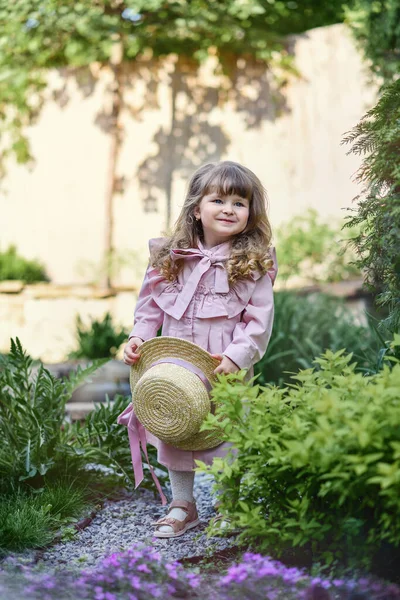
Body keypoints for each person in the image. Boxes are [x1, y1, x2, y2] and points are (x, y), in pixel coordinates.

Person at [120, 160, 277, 538]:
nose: (228, 209)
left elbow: (259, 322)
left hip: (223, 363)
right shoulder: (169, 257)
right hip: (175, 359)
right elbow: (149, 306)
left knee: (226, 433)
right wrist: (139, 337)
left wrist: (237, 357)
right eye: (218, 200)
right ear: (196, 209)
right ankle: (182, 504)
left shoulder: (251, 264)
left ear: (250, 213)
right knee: (177, 424)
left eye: (239, 203)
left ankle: (228, 503)